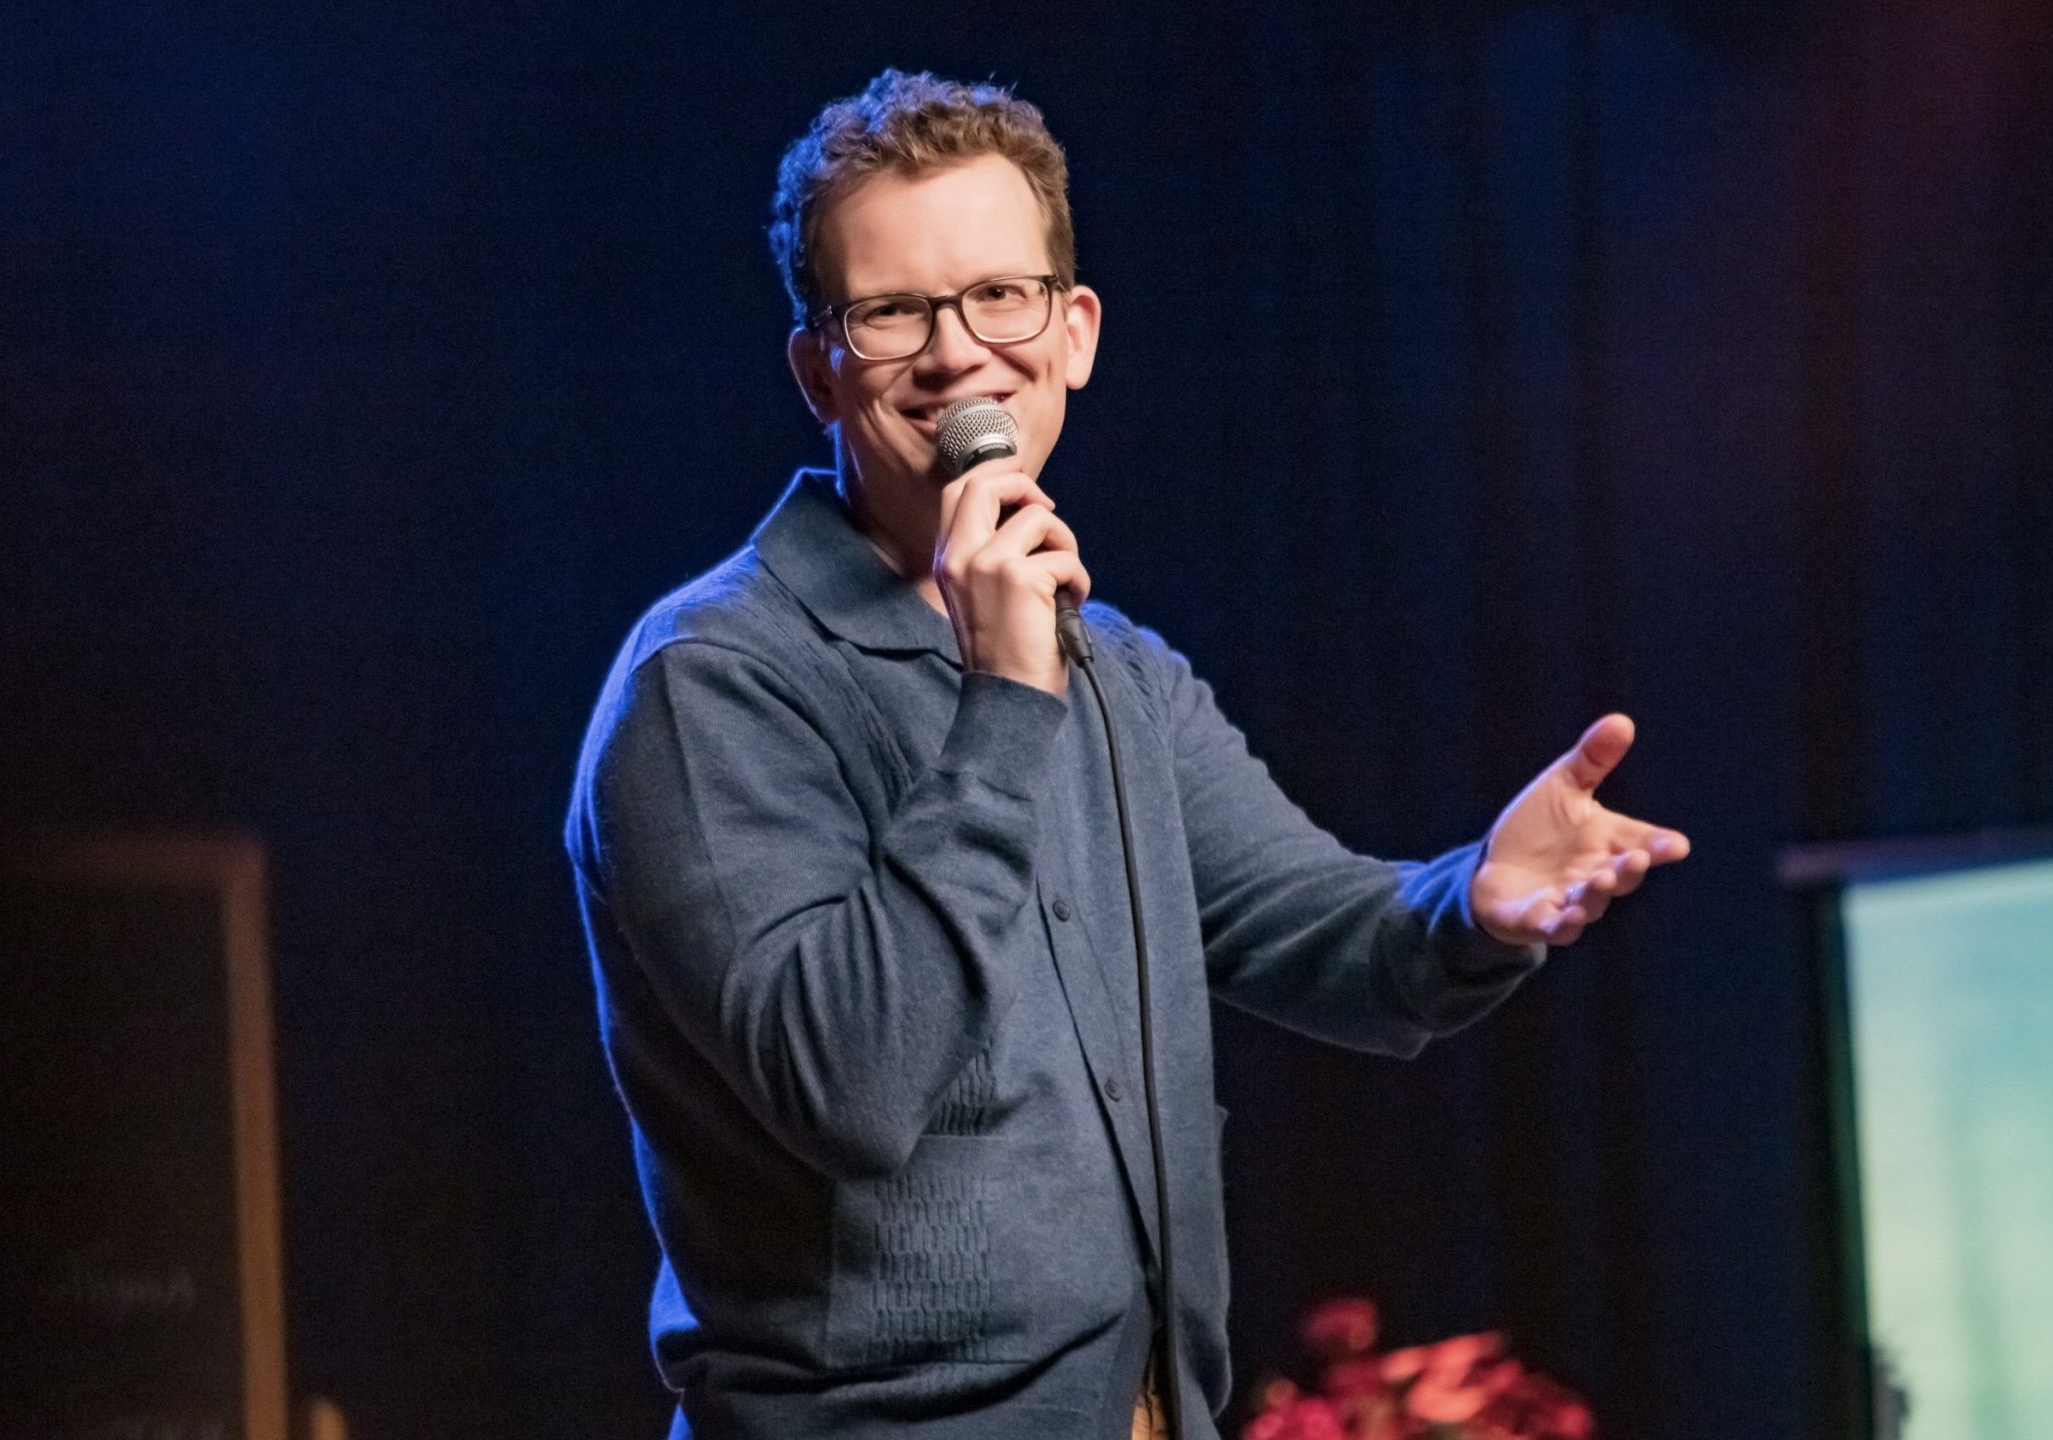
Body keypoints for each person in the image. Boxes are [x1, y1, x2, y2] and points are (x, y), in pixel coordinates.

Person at [565, 69, 1689, 1440]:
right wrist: (1001, 704)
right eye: (893, 311)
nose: (958, 353)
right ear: (818, 366)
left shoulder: (1117, 674)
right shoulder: (711, 686)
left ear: (1074, 331)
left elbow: (1325, 932)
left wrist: (1476, 900)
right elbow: (848, 1082)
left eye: (1000, 295)